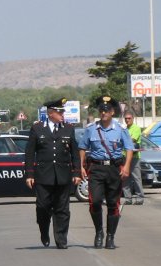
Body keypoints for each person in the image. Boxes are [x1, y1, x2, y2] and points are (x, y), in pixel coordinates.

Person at [25, 98, 81, 249]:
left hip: (63, 176)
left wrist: (77, 172)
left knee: (62, 208)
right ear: (51, 113)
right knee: (43, 207)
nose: (63, 113)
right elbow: (30, 153)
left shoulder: (68, 129)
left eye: (63, 111)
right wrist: (29, 175)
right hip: (43, 176)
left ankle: (61, 239)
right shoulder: (37, 129)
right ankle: (44, 231)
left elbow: (75, 152)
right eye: (60, 111)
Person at [78, 95, 134, 250]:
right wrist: (81, 166)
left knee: (112, 204)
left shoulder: (120, 129)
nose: (103, 113)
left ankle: (110, 236)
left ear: (112, 112)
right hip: (96, 169)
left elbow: (129, 148)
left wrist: (127, 166)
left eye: (107, 110)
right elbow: (82, 147)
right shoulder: (91, 129)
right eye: (101, 110)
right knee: (94, 201)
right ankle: (99, 232)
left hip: (114, 169)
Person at [122, 110, 145, 205]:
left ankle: (140, 198)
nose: (127, 120)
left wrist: (122, 140)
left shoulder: (136, 128)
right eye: (126, 118)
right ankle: (128, 198)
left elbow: (132, 140)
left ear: (133, 119)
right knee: (125, 178)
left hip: (134, 158)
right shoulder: (124, 129)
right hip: (124, 156)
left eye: (129, 118)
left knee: (136, 178)